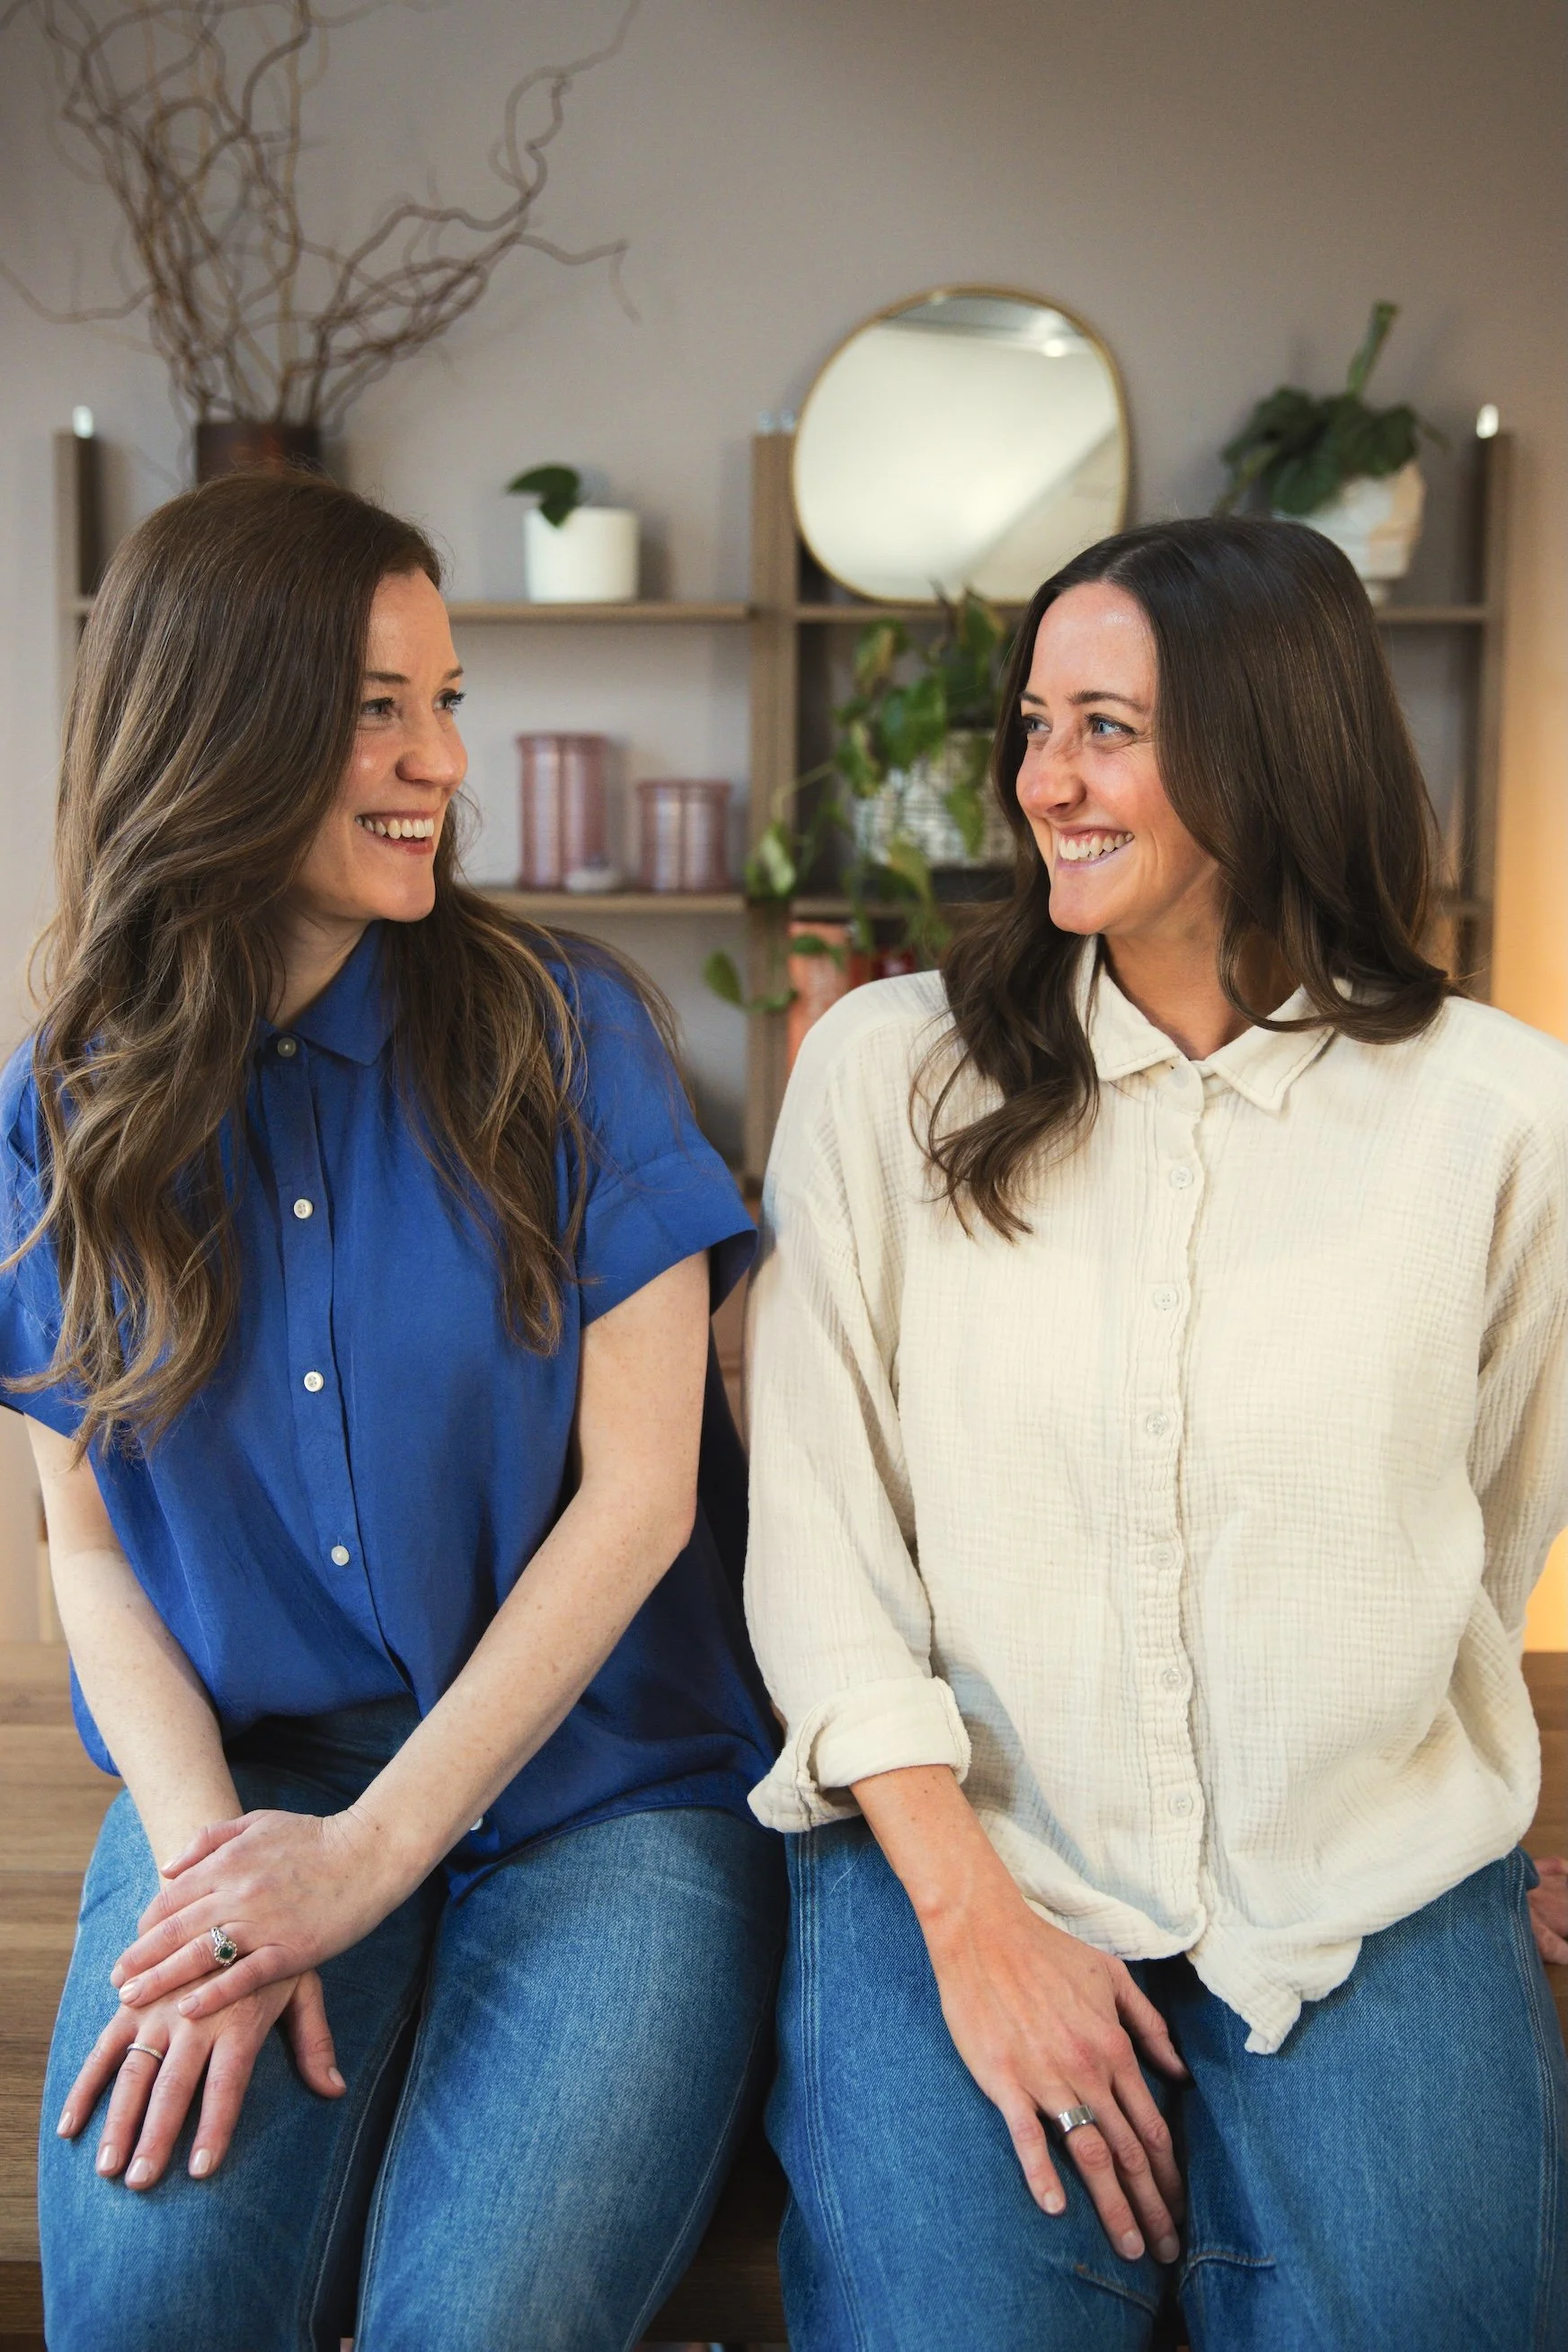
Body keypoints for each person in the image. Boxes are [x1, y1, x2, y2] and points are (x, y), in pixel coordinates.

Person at [743, 515, 1568, 2351]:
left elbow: (1494, 1523)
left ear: (1269, 748)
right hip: (960, 1851)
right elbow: (815, 1538)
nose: (1044, 779)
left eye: (1102, 726)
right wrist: (964, 1921)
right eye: (1034, 725)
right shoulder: (884, 1075)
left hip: (1367, 1876)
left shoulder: (1504, 1124)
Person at [0, 470, 784, 2352]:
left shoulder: (561, 1024)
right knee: (153, 2312)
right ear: (223, 720)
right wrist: (213, 1883)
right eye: (379, 704)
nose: (441, 757)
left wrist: (368, 1861)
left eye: (446, 700)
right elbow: (84, 1547)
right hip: (249, 1774)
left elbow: (643, 1499)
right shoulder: (65, 1101)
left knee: (481, 2325)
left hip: (606, 1784)